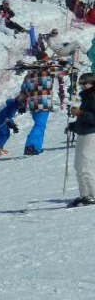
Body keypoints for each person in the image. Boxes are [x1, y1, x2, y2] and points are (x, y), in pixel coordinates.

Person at [67, 72, 95, 207]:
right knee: (78, 166)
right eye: (81, 83)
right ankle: (85, 195)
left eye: (85, 83)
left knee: (86, 165)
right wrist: (73, 125)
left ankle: (93, 195)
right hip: (83, 133)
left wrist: (81, 113)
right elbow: (85, 117)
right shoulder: (86, 97)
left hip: (91, 134)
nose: (83, 86)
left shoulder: (93, 96)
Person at [18, 63, 56, 155]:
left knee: (40, 125)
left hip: (33, 104)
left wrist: (21, 104)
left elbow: (23, 91)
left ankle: (37, 148)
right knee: (39, 125)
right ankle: (30, 146)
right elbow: (65, 71)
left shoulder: (28, 76)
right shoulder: (49, 73)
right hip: (44, 103)